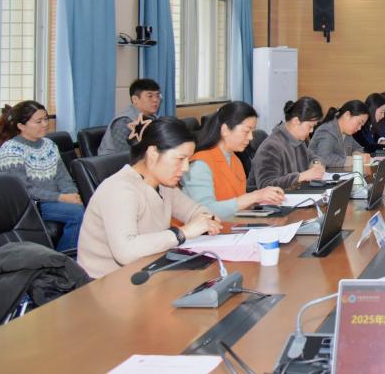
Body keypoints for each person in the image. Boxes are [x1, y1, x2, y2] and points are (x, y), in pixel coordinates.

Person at [77, 118, 222, 278]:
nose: (186, 168)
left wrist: (207, 219)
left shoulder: (164, 185)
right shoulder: (119, 189)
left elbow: (193, 210)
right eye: (180, 159)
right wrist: (182, 233)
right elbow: (125, 251)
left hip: (147, 272)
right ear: (153, 152)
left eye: (188, 160)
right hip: (108, 282)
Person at [0, 101, 84, 251]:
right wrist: (61, 198)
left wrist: (72, 194)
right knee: (77, 214)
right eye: (39, 121)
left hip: (53, 200)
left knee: (89, 204)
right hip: (31, 204)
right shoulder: (10, 151)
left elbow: (63, 177)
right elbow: (23, 191)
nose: (45, 124)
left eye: (46, 119)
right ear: (21, 126)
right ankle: (65, 258)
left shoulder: (49, 145)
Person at [181, 101, 285, 220]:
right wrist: (255, 196)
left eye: (252, 131)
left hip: (232, 227)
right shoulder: (200, 164)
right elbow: (206, 211)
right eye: (246, 131)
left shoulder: (235, 159)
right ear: (225, 130)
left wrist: (261, 199)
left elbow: (236, 201)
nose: (251, 137)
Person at [249, 98, 328, 190]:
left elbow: (313, 157)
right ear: (296, 121)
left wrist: (316, 164)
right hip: (269, 199)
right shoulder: (271, 147)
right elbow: (266, 185)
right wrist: (301, 177)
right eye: (310, 126)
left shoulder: (299, 141)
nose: (311, 131)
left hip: (296, 195)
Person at [98, 78, 162, 156]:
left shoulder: (154, 118)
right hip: (115, 163)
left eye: (157, 96)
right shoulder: (124, 122)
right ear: (135, 99)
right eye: (150, 96)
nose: (155, 100)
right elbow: (125, 155)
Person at [308, 101, 368, 168]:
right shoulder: (326, 131)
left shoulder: (347, 134)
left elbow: (358, 148)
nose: (359, 128)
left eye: (361, 125)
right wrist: (355, 160)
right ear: (347, 115)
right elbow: (324, 158)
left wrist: (357, 155)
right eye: (359, 123)